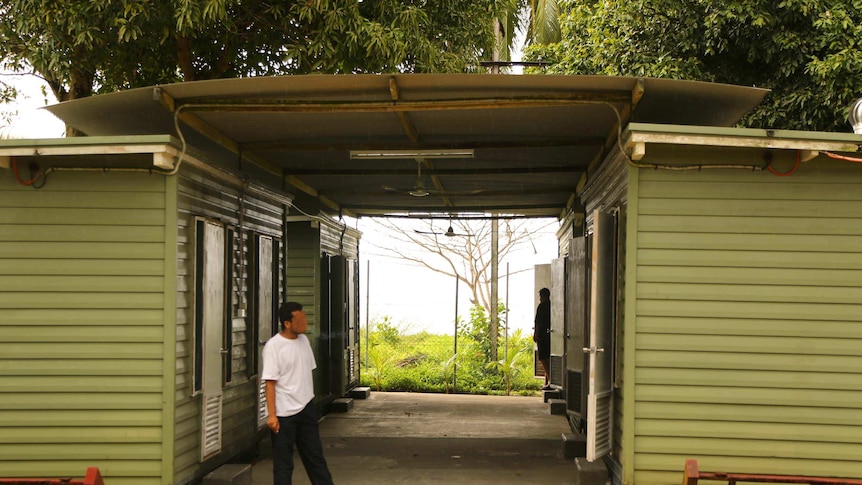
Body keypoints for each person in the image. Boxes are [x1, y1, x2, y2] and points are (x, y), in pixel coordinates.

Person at [262, 301, 334, 485]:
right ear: (287, 323)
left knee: (315, 457)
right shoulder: (273, 346)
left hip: (306, 409)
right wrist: (271, 415)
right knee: (284, 463)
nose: (305, 323)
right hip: (283, 414)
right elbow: (269, 383)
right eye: (300, 319)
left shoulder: (304, 341)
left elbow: (305, 372)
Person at [533, 287, 552, 390]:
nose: (540, 298)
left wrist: (536, 333)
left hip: (542, 335)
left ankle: (550, 381)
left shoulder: (541, 307)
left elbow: (537, 322)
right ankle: (548, 381)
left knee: (543, 359)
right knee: (548, 358)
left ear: (543, 296)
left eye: (540, 296)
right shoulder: (551, 306)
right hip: (550, 335)